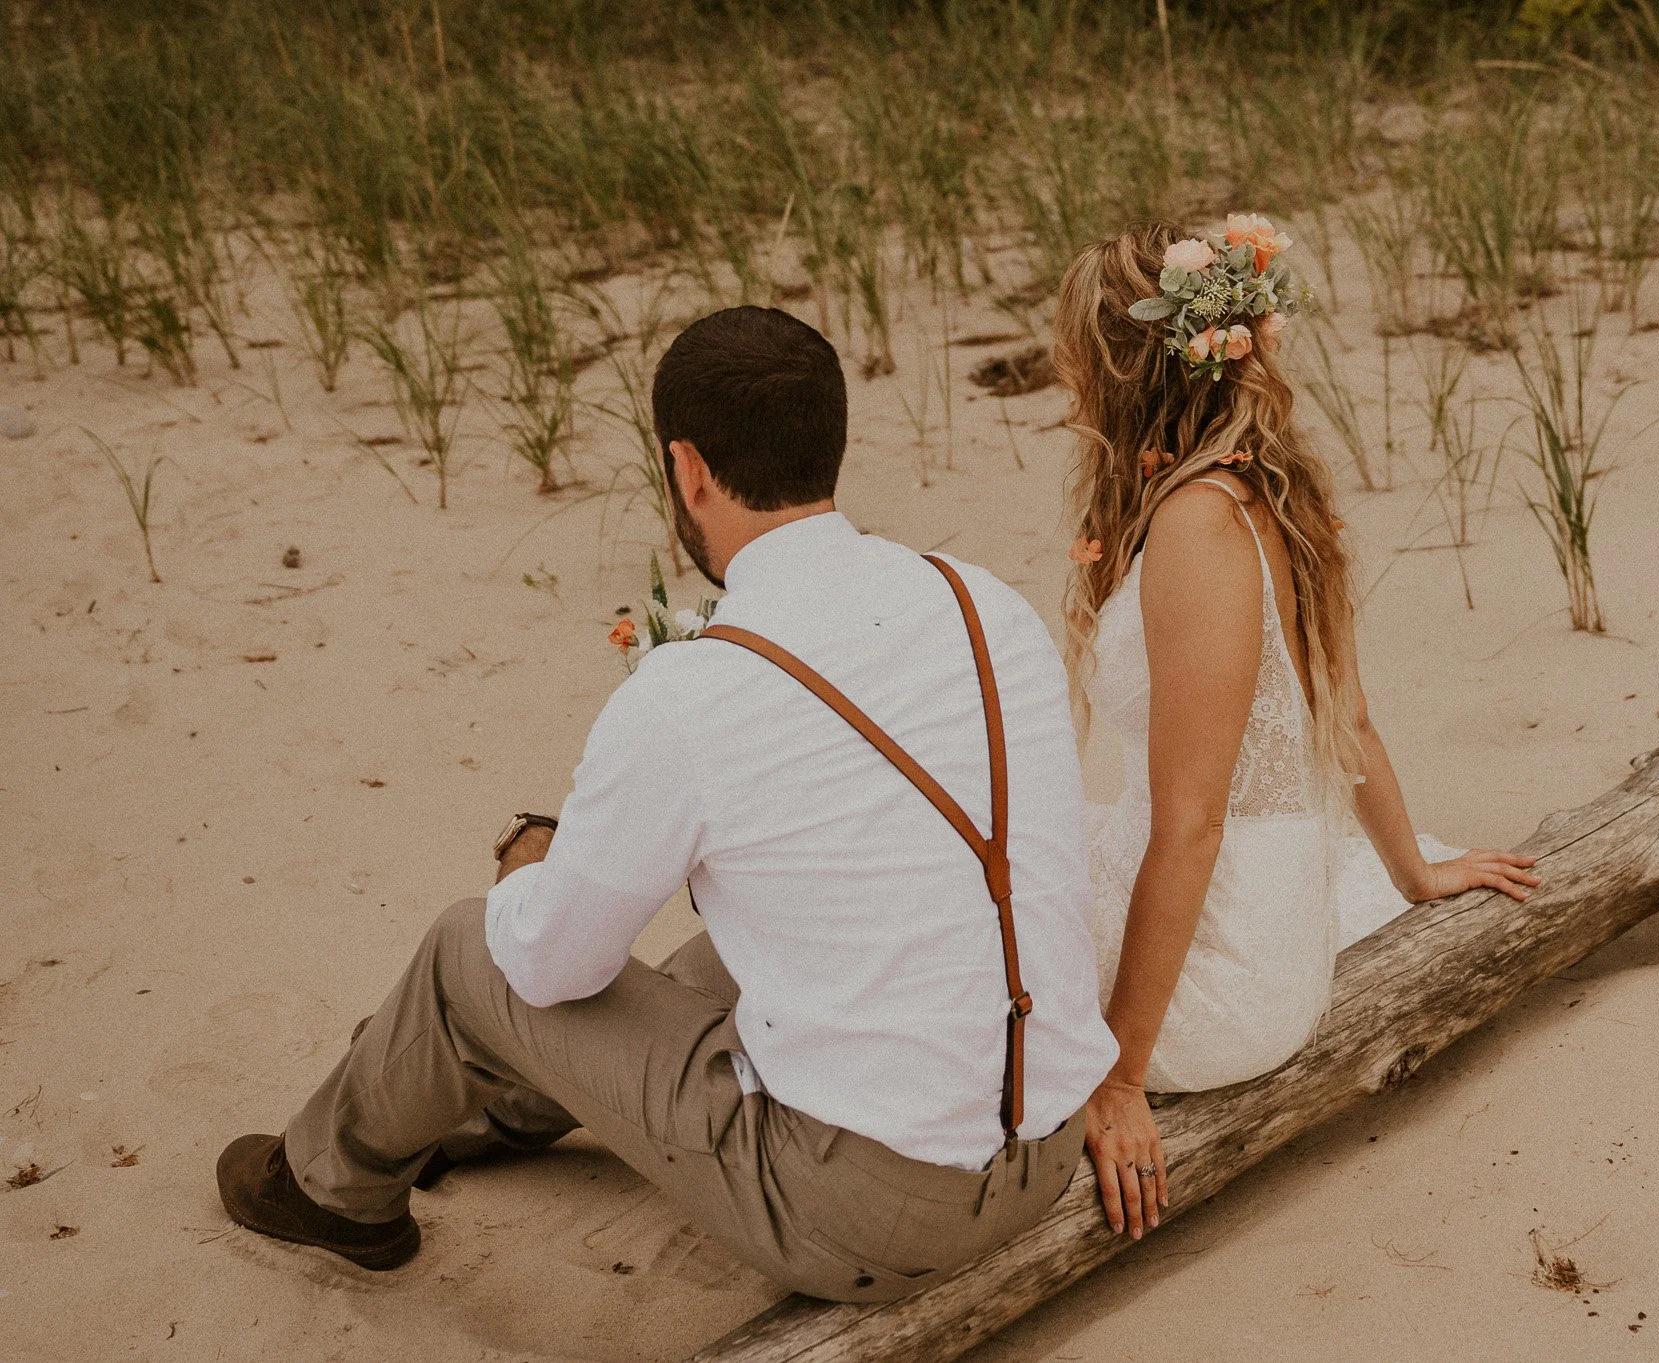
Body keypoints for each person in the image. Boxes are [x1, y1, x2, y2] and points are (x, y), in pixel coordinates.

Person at [216, 306, 1120, 1300]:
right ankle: (472, 1101)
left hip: (870, 1216)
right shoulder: (981, 600)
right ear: (831, 445)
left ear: (687, 470)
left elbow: (553, 960)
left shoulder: (693, 688)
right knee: (728, 950)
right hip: (1047, 1141)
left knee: (467, 951)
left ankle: (329, 1187)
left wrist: (531, 862)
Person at [1052, 219, 1541, 1241]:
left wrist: (1118, 1072)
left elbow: (1189, 823)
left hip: (1215, 979)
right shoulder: (1264, 489)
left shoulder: (1194, 528)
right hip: (1268, 932)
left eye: (1072, 356)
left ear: (1119, 366)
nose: (1064, 379)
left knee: (974, 910)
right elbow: (1344, 712)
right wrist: (1411, 872)